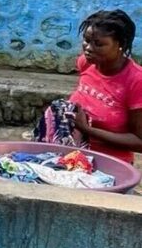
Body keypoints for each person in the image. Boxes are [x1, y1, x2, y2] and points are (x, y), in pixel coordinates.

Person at [34, 10, 142, 164]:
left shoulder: (136, 81)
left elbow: (139, 142)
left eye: (99, 44)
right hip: (72, 156)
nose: (88, 48)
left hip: (110, 164)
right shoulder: (87, 63)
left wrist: (88, 130)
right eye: (86, 40)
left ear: (121, 45)